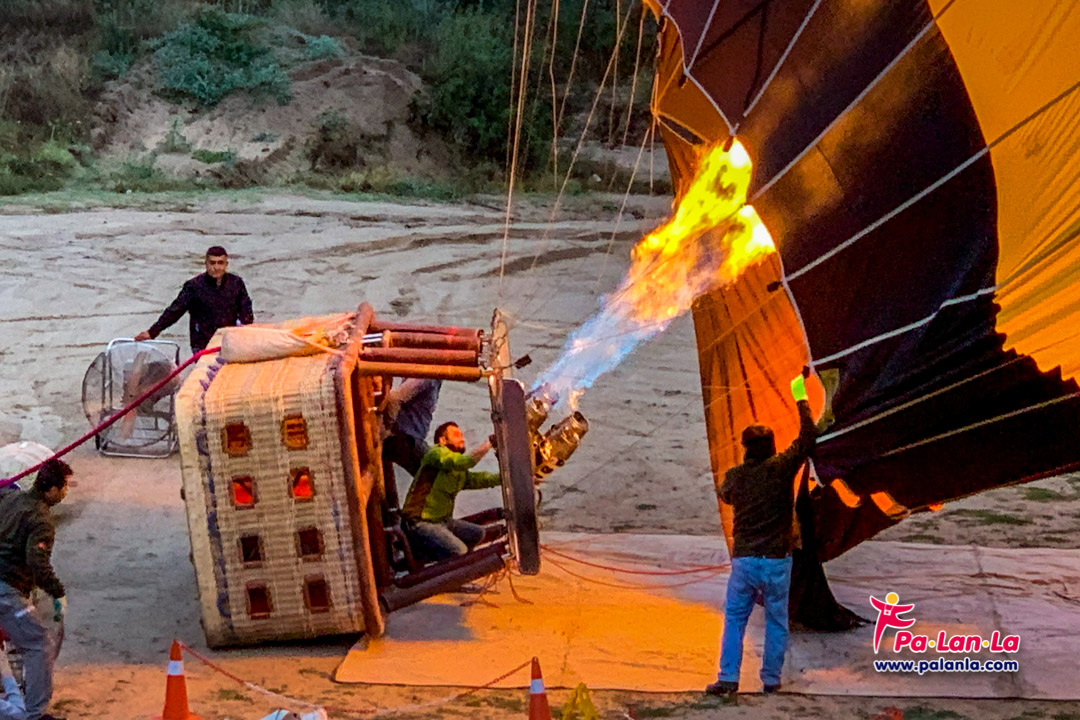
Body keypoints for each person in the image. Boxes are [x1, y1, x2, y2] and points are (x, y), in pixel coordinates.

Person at [706, 371, 818, 697]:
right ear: (771, 446)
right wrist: (800, 395)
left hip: (744, 561)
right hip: (777, 561)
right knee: (776, 622)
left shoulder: (737, 476)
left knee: (735, 620)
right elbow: (808, 437)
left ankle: (728, 678)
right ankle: (770, 680)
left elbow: (725, 494)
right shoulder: (781, 468)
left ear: (745, 449)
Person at [0, 459, 72, 720]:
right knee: (38, 643)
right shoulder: (41, 521)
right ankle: (35, 713)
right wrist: (57, 591)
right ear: (52, 489)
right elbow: (37, 563)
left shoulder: (8, 499)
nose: (66, 493)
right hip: (6, 589)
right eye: (64, 487)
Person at [400, 421, 501, 561]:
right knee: (459, 550)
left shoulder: (459, 473)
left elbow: (482, 479)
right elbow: (464, 462)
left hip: (442, 522)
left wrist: (507, 477)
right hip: (419, 523)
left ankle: (453, 566)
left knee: (477, 534)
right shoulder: (436, 453)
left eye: (462, 435)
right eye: (456, 435)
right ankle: (442, 571)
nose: (462, 438)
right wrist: (489, 444)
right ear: (442, 440)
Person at [135, 246, 254, 353]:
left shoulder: (236, 283)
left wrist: (245, 329)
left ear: (226, 265)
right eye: (212, 263)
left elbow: (246, 309)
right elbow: (174, 311)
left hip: (228, 340)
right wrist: (152, 332)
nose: (216, 267)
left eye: (220, 263)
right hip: (202, 343)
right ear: (206, 264)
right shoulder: (194, 286)